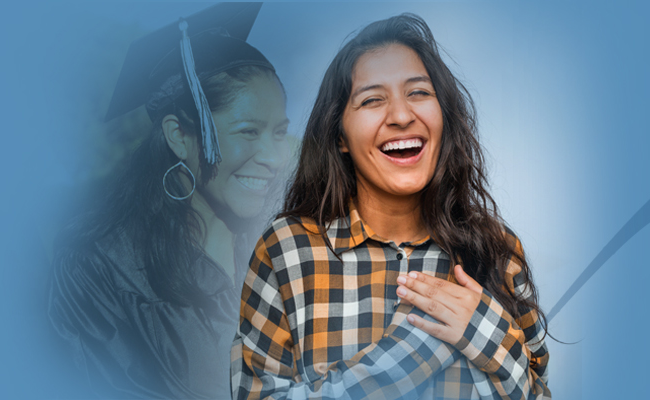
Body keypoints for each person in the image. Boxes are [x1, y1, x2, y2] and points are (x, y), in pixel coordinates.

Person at [233, 13, 550, 400]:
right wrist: (417, 348)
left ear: (444, 118)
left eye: (418, 93)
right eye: (372, 100)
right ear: (340, 137)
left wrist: (482, 333)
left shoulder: (496, 249)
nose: (401, 116)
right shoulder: (287, 250)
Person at [48, 3, 293, 398]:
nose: (274, 157)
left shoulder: (284, 244)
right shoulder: (102, 268)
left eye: (279, 133)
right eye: (249, 132)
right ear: (180, 135)